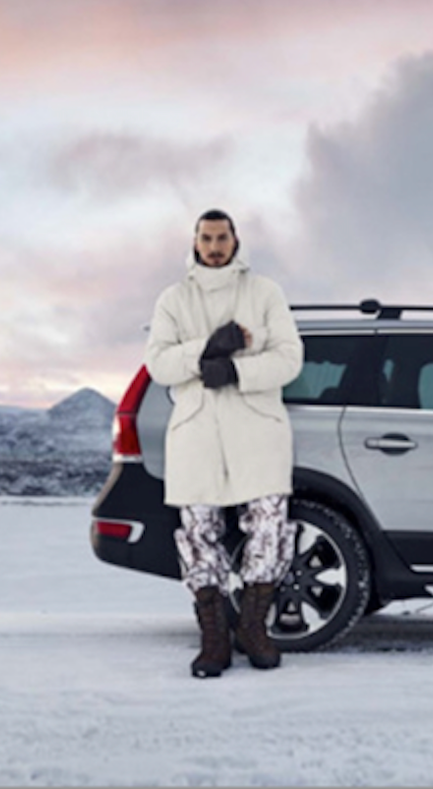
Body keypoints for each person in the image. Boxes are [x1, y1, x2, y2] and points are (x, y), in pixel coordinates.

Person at [144, 209, 304, 678]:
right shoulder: (173, 299)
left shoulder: (265, 292)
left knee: (270, 528)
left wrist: (236, 370)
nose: (214, 245)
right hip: (196, 430)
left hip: (258, 427)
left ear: (236, 241)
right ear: (195, 242)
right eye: (206, 237)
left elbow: (290, 359)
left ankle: (254, 628)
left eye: (222, 237)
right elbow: (158, 364)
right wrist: (209, 348)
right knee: (197, 534)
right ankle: (214, 637)